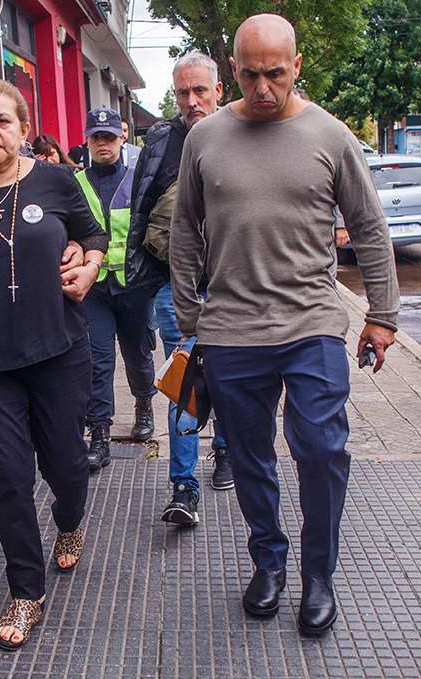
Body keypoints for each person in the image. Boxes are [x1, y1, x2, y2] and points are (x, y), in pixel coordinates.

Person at [169, 15, 398, 636]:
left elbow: (370, 227)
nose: (263, 85)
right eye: (250, 73)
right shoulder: (205, 138)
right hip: (231, 330)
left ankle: (319, 574)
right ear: (232, 70)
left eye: (276, 72)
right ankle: (268, 560)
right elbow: (185, 230)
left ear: (296, 66)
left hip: (313, 322)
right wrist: (192, 319)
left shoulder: (330, 134)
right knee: (248, 455)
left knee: (322, 450)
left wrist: (382, 314)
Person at [0, 78, 105, 651]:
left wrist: (90, 265)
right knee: (8, 477)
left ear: (24, 129)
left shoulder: (57, 180)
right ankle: (26, 590)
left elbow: (92, 235)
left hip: (59, 353)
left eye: (2, 121)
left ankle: (71, 520)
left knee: (67, 467)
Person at [125, 52, 232, 526]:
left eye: (200, 91)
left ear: (218, 91)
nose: (191, 101)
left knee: (230, 376)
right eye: (183, 93)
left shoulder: (241, 131)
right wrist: (139, 273)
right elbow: (141, 206)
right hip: (178, 285)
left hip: (237, 289)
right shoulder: (161, 141)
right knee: (185, 381)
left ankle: (226, 451)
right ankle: (183, 487)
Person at [78, 107, 159, 469]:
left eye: (109, 136)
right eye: (96, 137)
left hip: (133, 286)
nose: (103, 143)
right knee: (97, 361)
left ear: (122, 138)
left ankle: (144, 405)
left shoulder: (137, 181)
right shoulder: (75, 183)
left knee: (139, 355)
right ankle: (99, 434)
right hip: (92, 287)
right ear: (88, 140)